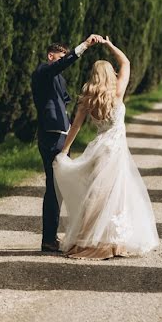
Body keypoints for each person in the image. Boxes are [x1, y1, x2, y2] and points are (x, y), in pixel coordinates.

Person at [53, 36, 159, 260]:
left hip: (99, 149)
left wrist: (64, 152)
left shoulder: (88, 99)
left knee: (97, 195)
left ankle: (92, 238)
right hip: (116, 151)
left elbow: (76, 128)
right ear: (110, 75)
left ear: (93, 76)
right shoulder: (117, 92)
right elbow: (127, 63)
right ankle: (110, 243)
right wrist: (110, 45)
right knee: (115, 195)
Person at [32, 34, 103, 252]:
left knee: (58, 187)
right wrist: (83, 46)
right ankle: (48, 239)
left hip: (61, 134)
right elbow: (61, 65)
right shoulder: (43, 70)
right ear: (51, 56)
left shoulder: (58, 79)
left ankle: (53, 236)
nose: (62, 61)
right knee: (54, 187)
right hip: (51, 135)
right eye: (60, 57)